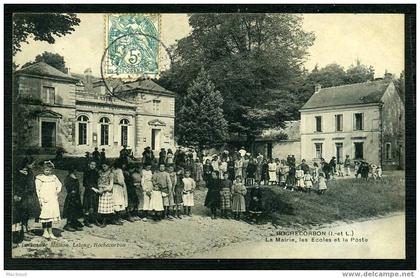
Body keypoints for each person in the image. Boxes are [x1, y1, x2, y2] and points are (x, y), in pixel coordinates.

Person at [13, 156, 39, 242]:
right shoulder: (20, 173)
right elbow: (18, 186)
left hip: (29, 196)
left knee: (27, 214)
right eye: (32, 164)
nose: (34, 165)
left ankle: (26, 230)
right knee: (22, 215)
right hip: (22, 197)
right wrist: (17, 195)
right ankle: (23, 233)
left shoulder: (29, 172)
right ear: (27, 164)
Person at [35, 161, 62, 239]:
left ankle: (50, 231)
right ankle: (45, 231)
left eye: (50, 170)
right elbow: (37, 189)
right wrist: (40, 198)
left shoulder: (53, 177)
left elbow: (59, 185)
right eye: (46, 170)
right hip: (44, 199)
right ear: (43, 169)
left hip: (52, 199)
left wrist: (56, 192)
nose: (48, 172)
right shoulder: (39, 178)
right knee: (44, 215)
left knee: (51, 215)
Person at [63, 165, 84, 232]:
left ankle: (73, 223)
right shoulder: (68, 178)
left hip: (76, 196)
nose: (76, 171)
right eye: (75, 170)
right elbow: (68, 187)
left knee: (76, 210)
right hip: (71, 197)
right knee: (71, 210)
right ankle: (68, 224)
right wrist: (72, 191)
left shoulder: (74, 177)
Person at [97, 161, 115, 227]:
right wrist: (100, 188)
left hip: (107, 191)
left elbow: (111, 186)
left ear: (108, 166)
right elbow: (98, 182)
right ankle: (102, 220)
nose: (104, 168)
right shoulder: (100, 173)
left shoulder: (110, 174)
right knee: (102, 207)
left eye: (105, 166)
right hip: (100, 190)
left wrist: (104, 189)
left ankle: (104, 222)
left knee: (106, 208)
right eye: (103, 166)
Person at [82, 160, 100, 227]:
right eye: (91, 164)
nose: (92, 166)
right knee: (87, 206)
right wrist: (92, 188)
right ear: (89, 164)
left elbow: (97, 181)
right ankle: (86, 220)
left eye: (94, 165)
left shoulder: (96, 172)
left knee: (95, 205)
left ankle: (95, 220)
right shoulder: (86, 172)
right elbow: (85, 183)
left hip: (95, 191)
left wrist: (97, 188)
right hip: (88, 191)